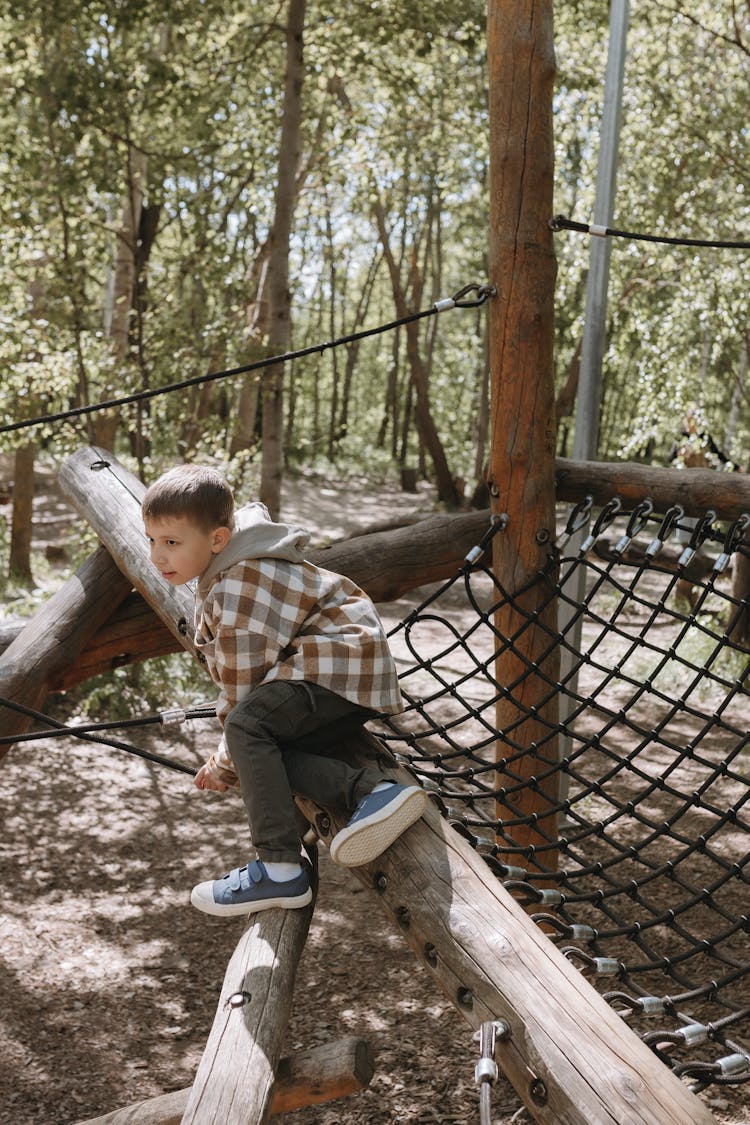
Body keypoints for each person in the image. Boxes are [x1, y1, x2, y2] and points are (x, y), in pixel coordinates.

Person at [141, 464, 427, 918]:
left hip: (337, 664)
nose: (157, 556)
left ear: (217, 539)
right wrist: (237, 761)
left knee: (248, 730)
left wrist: (222, 765)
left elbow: (243, 697)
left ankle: (278, 868)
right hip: (336, 671)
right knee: (265, 756)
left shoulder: (238, 584)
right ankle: (371, 790)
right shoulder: (230, 567)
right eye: (151, 540)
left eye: (172, 543)